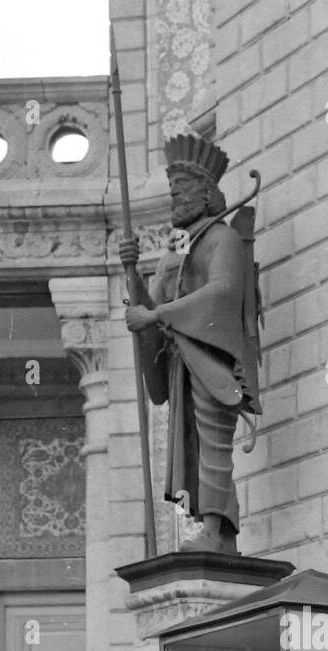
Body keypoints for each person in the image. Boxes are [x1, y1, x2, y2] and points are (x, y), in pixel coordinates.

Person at [117, 133, 260, 555]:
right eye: (172, 194)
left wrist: (157, 315)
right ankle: (205, 525)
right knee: (189, 447)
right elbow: (152, 308)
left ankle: (217, 531)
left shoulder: (223, 239)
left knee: (214, 443)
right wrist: (134, 280)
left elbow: (223, 291)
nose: (174, 202)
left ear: (205, 195)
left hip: (212, 359)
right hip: (181, 360)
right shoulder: (174, 252)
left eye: (181, 194)